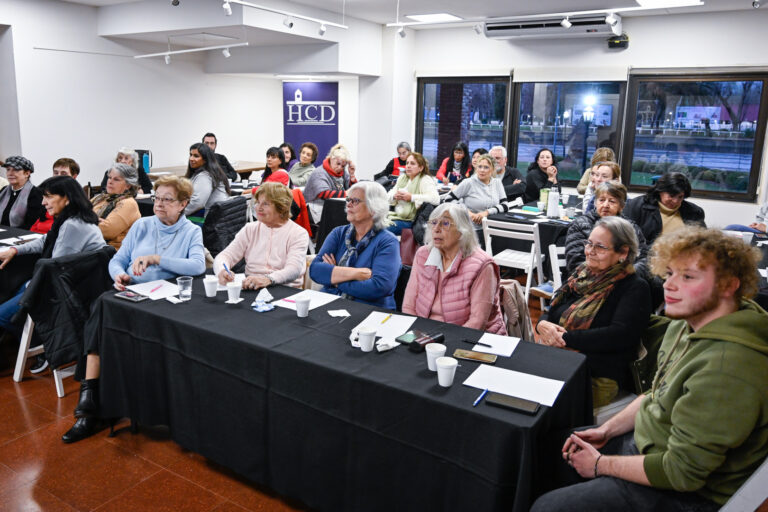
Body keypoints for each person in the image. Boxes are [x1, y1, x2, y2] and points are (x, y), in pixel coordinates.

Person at [531, 227, 768, 512]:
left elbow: (682, 473)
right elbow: (656, 393)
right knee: (548, 448)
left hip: (688, 493)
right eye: (669, 274)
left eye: (688, 277)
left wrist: (599, 464)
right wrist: (606, 430)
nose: (669, 285)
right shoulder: (685, 325)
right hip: (650, 444)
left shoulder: (727, 368)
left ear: (729, 285)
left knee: (548, 506)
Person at [62, 174, 205, 443]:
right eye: (157, 198)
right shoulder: (142, 225)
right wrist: (119, 276)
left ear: (183, 204)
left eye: (167, 199)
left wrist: (157, 258)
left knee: (102, 312)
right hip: (131, 292)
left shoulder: (191, 231)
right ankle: (89, 403)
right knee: (102, 311)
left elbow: (197, 266)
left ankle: (88, 405)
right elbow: (117, 260)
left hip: (163, 299)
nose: (159, 204)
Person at [537, 217, 651, 406]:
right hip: (559, 359)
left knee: (542, 406)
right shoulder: (581, 275)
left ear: (623, 252)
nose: (590, 251)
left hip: (598, 374)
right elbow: (554, 310)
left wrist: (563, 338)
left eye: (600, 247)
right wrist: (542, 324)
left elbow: (619, 336)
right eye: (589, 243)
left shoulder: (634, 287)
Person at [0, 176, 106, 346]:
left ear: (67, 198)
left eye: (48, 197)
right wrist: (15, 250)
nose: (43, 202)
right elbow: (46, 240)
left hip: (71, 289)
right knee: (15, 290)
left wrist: (32, 285)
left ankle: (42, 346)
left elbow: (56, 266)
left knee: (5, 313)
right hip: (70, 281)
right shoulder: (69, 219)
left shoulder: (73, 225)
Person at [402, 203, 506, 334]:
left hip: (469, 339)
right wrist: (416, 335)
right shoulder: (423, 255)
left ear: (462, 231)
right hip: (424, 333)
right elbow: (408, 305)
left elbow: (477, 322)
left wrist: (440, 342)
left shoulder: (483, 265)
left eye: (445, 224)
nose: (436, 229)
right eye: (433, 223)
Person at [309, 181, 400, 309]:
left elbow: (379, 287)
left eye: (355, 201)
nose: (348, 204)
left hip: (369, 309)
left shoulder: (387, 242)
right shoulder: (338, 233)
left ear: (374, 208)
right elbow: (315, 270)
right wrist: (357, 274)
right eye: (348, 199)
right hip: (330, 301)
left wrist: (335, 279)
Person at [213, 183, 309, 289]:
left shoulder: (298, 233)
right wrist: (222, 270)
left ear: (282, 207)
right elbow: (225, 256)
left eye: (266, 204)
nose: (258, 208)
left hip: (284, 289)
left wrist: (268, 279)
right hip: (252, 287)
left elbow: (293, 269)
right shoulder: (250, 229)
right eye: (258, 202)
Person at [565, 182, 648, 276]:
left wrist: (626, 274)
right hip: (590, 280)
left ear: (622, 206)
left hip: (626, 278)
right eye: (601, 200)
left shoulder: (630, 227)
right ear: (595, 203)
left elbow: (643, 258)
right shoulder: (581, 224)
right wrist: (610, 277)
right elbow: (575, 261)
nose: (605, 205)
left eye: (612, 201)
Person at [623, 172, 705, 244]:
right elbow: (626, 238)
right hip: (647, 257)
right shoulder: (636, 206)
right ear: (660, 191)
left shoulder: (694, 212)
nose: (675, 201)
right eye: (671, 196)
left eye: (680, 197)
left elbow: (701, 241)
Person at [442, 154, 511, 225]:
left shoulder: (497, 182)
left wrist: (486, 213)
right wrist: (468, 213)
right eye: (480, 167)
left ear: (492, 169)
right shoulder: (468, 182)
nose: (482, 170)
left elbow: (505, 205)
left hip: (491, 226)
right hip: (470, 227)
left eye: (486, 167)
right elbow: (448, 199)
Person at [386, 152, 439, 235]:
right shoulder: (403, 178)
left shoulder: (425, 179)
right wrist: (394, 196)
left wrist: (411, 197)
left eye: (412, 163)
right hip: (397, 215)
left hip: (413, 220)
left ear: (421, 168)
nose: (408, 166)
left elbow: (435, 199)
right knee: (372, 224)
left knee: (383, 229)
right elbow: (388, 196)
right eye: (407, 163)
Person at [90, 163, 141, 250]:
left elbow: (107, 230)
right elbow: (78, 211)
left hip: (112, 252)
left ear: (128, 185)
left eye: (116, 179)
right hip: (94, 246)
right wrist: (94, 219)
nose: (110, 181)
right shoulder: (101, 198)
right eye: (109, 177)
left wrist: (85, 219)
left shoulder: (128, 203)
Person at [303, 143, 357, 223]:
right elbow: (323, 193)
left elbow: (352, 191)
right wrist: (346, 193)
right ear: (331, 159)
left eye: (343, 166)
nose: (340, 168)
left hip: (333, 207)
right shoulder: (319, 172)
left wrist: (352, 175)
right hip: (316, 209)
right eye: (338, 164)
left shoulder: (343, 173)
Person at [31, 157, 82, 234]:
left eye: (63, 173)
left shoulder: (76, 198)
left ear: (74, 177)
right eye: (56, 173)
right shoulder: (48, 192)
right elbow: (38, 223)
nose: (58, 176)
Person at [184, 142, 230, 221]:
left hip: (211, 222)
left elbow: (197, 203)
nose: (191, 158)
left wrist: (177, 213)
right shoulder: (212, 172)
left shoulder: (204, 176)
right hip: (219, 219)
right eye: (190, 155)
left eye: (196, 156)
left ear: (205, 159)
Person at [0, 156, 45, 230]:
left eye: (16, 170)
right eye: (8, 170)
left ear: (27, 173)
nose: (10, 173)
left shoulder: (35, 193)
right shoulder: (4, 191)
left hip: (21, 235)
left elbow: (32, 223)